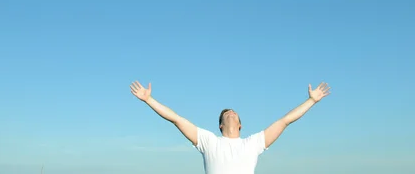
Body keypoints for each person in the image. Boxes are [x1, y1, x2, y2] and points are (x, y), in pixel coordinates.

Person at [129, 80, 331, 174]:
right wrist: (149, 100)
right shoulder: (209, 141)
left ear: (241, 125)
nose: (231, 112)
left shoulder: (253, 143)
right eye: (227, 113)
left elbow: (285, 120)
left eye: (234, 112)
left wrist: (311, 101)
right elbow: (177, 119)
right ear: (220, 124)